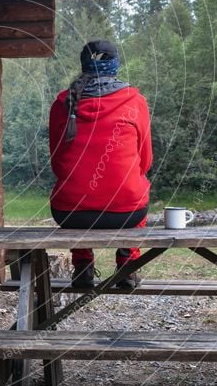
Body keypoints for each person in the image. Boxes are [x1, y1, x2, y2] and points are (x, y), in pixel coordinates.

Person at [49, 40, 153, 288]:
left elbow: (57, 162)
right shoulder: (135, 101)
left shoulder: (63, 103)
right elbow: (145, 161)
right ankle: (127, 266)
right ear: (115, 65)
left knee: (76, 190)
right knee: (135, 192)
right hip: (127, 213)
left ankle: (82, 265)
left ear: (84, 65)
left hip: (70, 214)